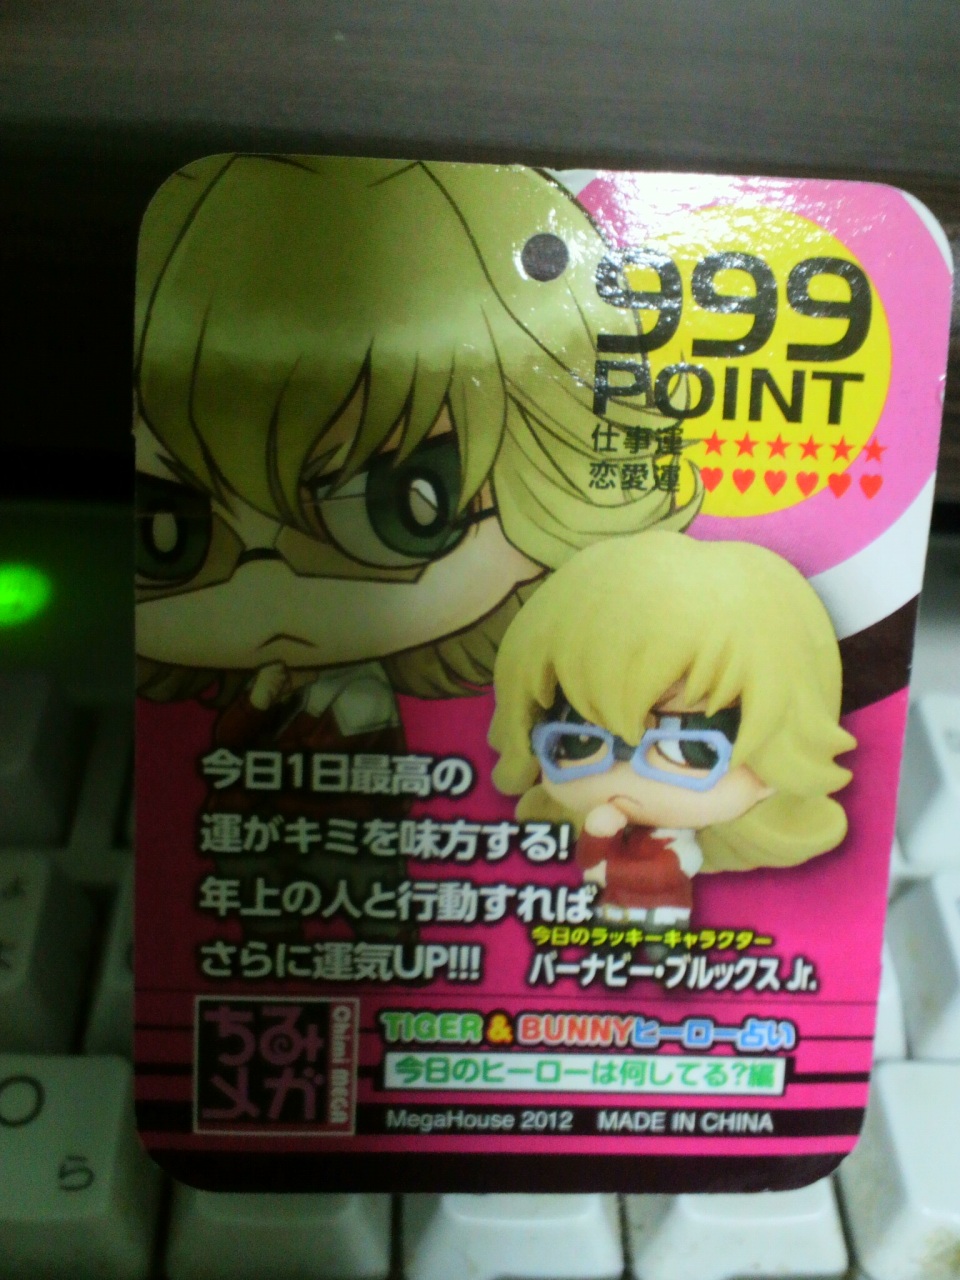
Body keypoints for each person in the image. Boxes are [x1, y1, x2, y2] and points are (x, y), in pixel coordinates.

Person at [133, 155, 701, 936]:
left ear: (552, 485)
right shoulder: (271, 695)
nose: (271, 593)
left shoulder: (427, 699)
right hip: (257, 867)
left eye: (403, 509)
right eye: (170, 534)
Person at [490, 530, 856, 926]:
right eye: (579, 740)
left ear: (777, 756)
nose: (624, 775)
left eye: (684, 746)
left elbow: (666, 870)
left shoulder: (685, 847)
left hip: (668, 915)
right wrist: (598, 840)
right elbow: (593, 866)